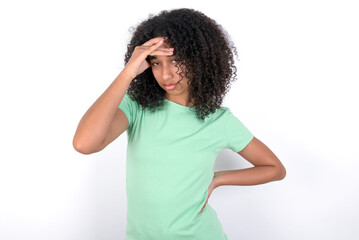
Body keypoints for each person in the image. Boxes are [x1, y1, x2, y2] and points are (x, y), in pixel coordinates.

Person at [73, 8, 286, 240]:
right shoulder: (137, 107)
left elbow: (275, 169)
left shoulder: (219, 121)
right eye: (156, 63)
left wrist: (219, 178)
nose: (166, 75)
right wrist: (127, 73)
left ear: (199, 59)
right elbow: (85, 144)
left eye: (176, 60)